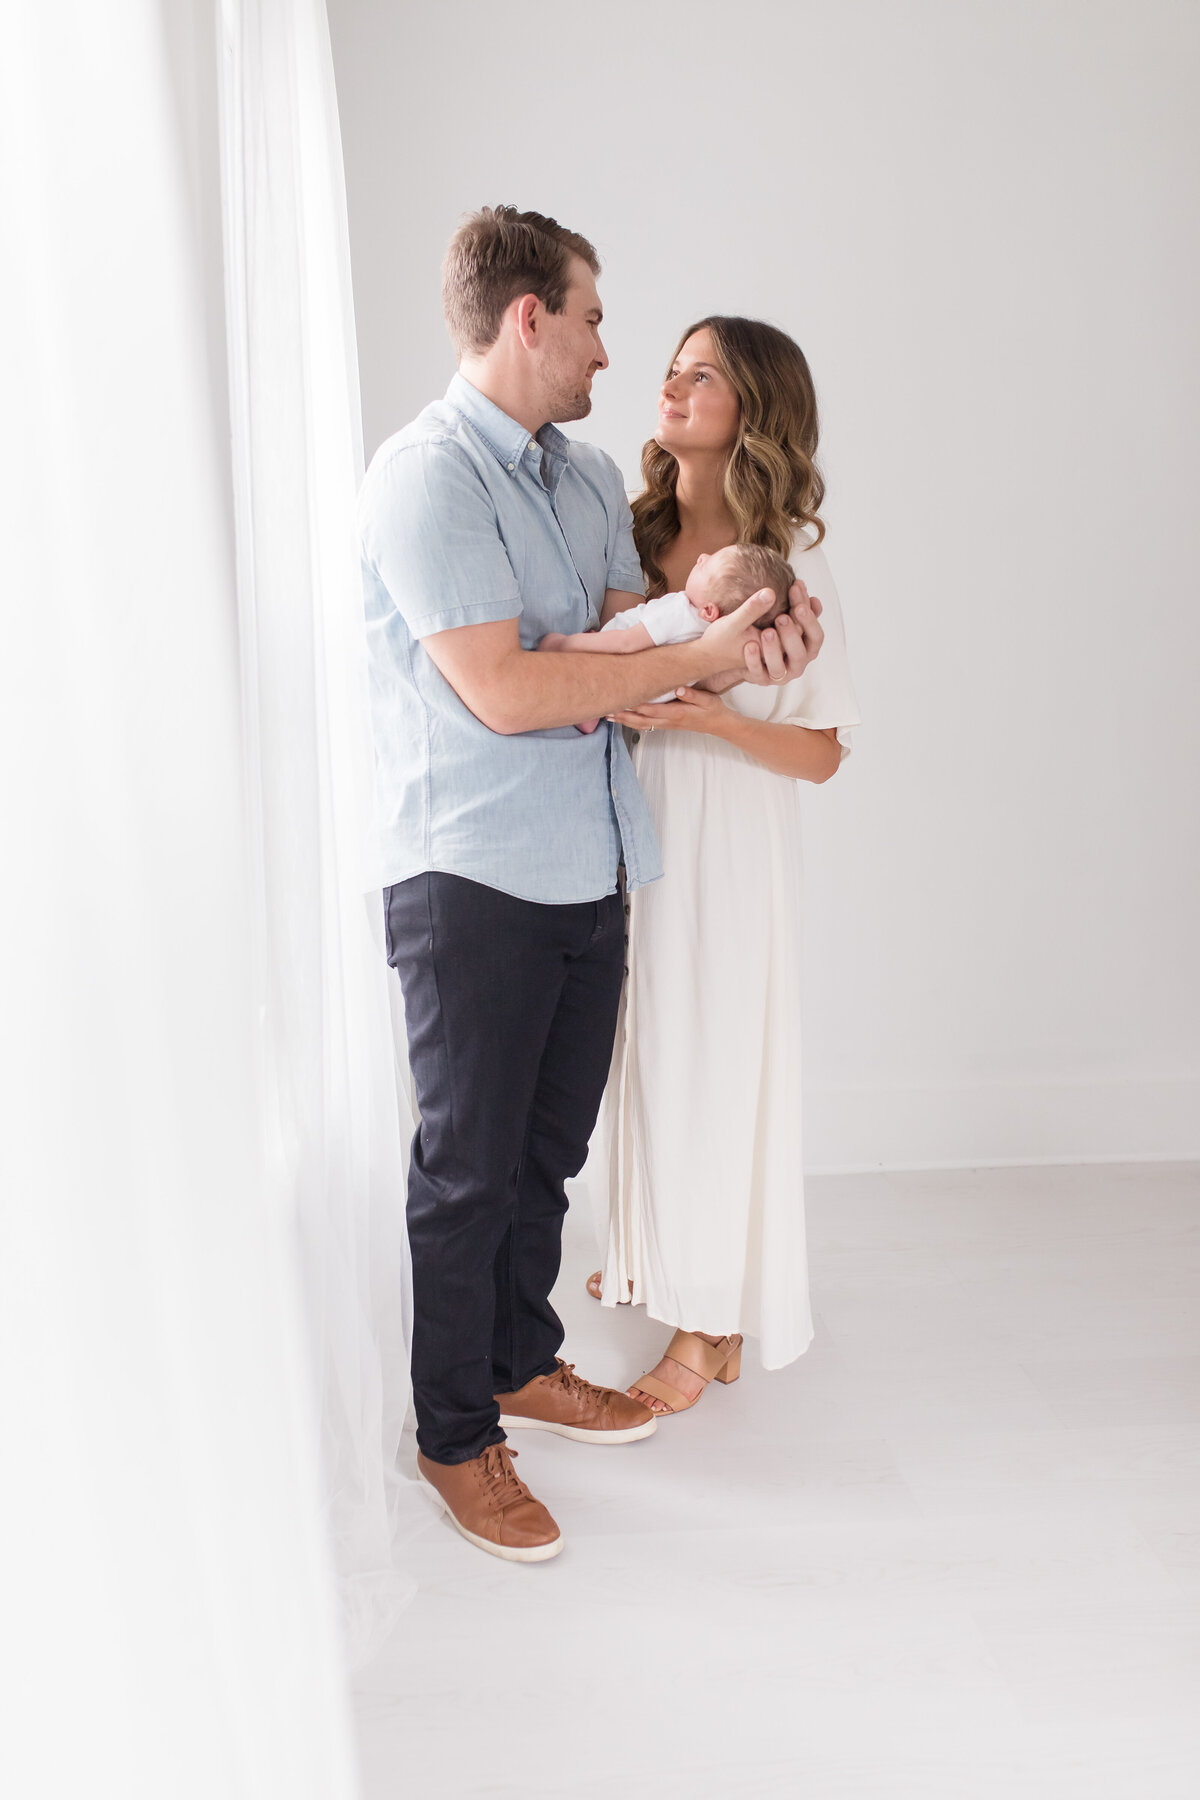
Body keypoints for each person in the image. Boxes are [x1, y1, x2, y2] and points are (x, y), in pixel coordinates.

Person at [358, 212, 826, 1561]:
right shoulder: (426, 480)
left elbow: (639, 632)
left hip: (593, 870)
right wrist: (665, 660)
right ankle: (456, 1435)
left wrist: (740, 637)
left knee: (545, 1158)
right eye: (594, 320)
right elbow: (508, 690)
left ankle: (516, 1358)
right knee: (468, 1169)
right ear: (527, 320)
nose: (609, 352)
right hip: (474, 876)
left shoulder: (574, 478)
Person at [586, 315, 860, 1414]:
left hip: (729, 836)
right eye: (673, 367)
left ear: (754, 407)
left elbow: (826, 752)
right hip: (621, 824)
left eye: (705, 374)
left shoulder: (789, 557)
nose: (673, 383)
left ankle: (708, 1330)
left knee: (715, 1053)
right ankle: (669, 1260)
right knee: (638, 1051)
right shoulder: (624, 528)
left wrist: (710, 720)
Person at [541, 542, 794, 730]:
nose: (701, 557)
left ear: (708, 610)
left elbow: (627, 642)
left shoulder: (681, 610)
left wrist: (569, 643)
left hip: (616, 672)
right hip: (654, 696)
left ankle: (590, 705)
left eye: (706, 567)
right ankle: (591, 715)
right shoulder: (712, 635)